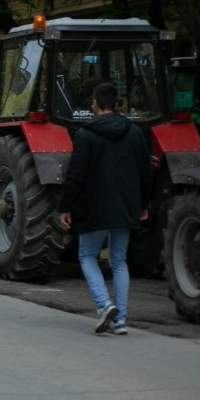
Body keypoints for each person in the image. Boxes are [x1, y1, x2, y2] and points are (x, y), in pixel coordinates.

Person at [58, 82, 152, 336]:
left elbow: (75, 174)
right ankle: (120, 321)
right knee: (119, 261)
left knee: (87, 256)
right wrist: (144, 203)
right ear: (118, 105)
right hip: (126, 205)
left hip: (94, 206)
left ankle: (104, 304)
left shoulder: (85, 134)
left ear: (94, 104)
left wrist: (65, 206)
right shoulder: (135, 133)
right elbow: (145, 171)